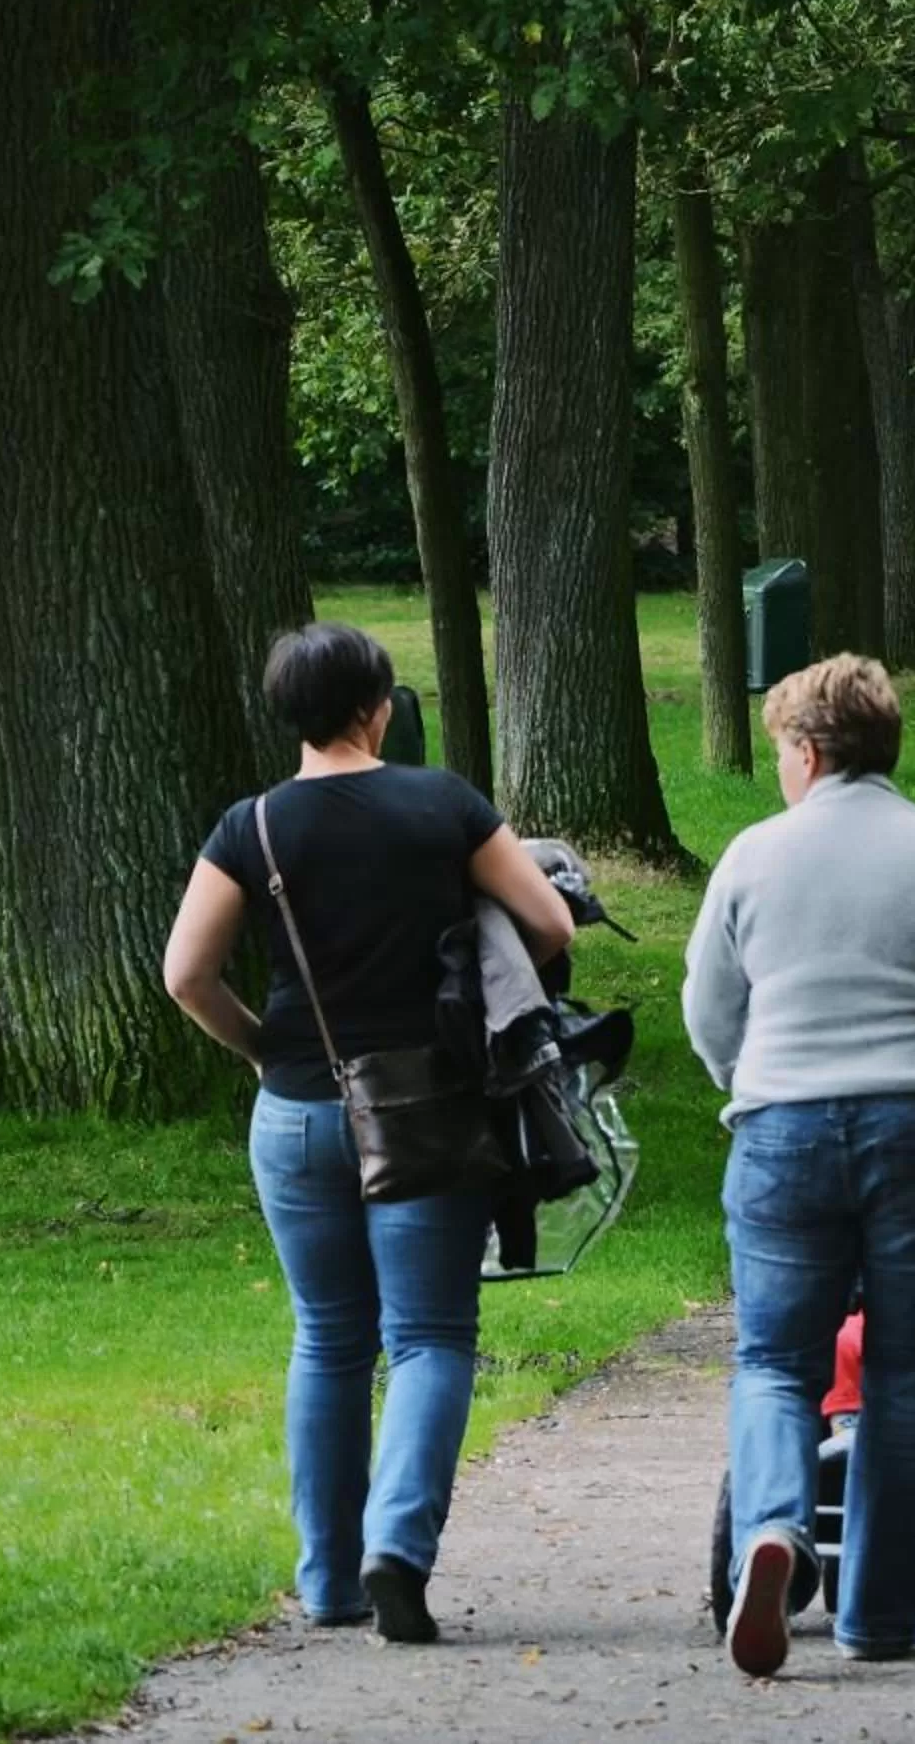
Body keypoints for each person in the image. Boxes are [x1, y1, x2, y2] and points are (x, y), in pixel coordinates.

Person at [163, 622, 577, 1644]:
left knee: (329, 1336)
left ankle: (330, 1581)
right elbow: (553, 925)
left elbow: (185, 974)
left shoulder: (251, 828)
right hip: (429, 1108)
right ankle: (399, 1542)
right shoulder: (444, 803)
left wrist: (267, 1052)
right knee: (431, 1334)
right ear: (377, 706)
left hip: (300, 1109)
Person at [684, 652, 915, 1677]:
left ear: (805, 750)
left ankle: (775, 1525)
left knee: (774, 1358)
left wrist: (749, 1079)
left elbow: (709, 1011)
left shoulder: (752, 856)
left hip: (784, 1123)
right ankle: (880, 1612)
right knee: (911, 1370)